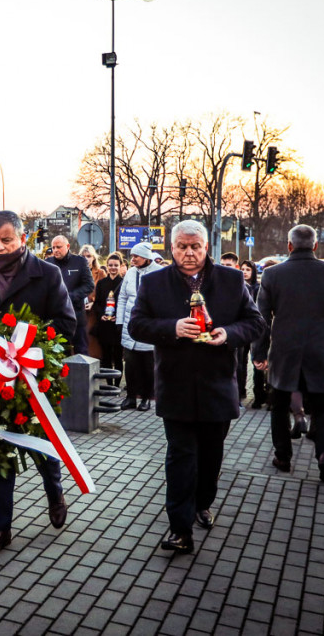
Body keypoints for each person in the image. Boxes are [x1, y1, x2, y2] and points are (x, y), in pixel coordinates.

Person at [129, 220, 265, 554]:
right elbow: (136, 325)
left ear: (207, 248)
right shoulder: (154, 281)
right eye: (182, 247)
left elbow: (255, 323)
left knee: (210, 454)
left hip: (217, 383)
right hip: (174, 385)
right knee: (180, 455)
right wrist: (172, 327)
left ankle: (203, 501)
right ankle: (180, 528)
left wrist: (228, 334)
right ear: (171, 248)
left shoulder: (232, 280)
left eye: (196, 247)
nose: (189, 253)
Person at [0, 211, 77, 558]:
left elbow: (67, 325)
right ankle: (0, 528)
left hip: (33, 380)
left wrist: (30, 349)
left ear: (22, 238)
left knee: (40, 445)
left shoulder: (47, 274)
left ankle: (54, 493)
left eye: (7, 240)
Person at [252, 225, 324, 483]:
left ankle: (283, 457)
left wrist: (259, 353)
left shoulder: (273, 274)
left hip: (284, 353)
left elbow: (261, 318)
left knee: (279, 406)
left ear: (289, 246)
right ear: (315, 246)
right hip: (321, 352)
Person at [116, 242, 163, 410]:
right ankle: (130, 397)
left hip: (148, 324)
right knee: (130, 364)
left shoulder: (159, 272)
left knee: (147, 366)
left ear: (146, 257)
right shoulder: (130, 272)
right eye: (132, 256)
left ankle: (146, 398)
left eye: (136, 256)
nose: (132, 259)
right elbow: (122, 297)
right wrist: (119, 321)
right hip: (130, 325)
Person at [47, 235, 94, 355]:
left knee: (81, 352)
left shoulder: (80, 262)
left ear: (67, 246)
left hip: (77, 315)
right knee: (60, 354)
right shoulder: (48, 263)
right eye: (53, 247)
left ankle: (83, 374)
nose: (55, 250)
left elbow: (89, 285)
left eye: (59, 247)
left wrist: (70, 297)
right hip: (56, 318)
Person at [238, 260, 268, 408]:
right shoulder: (238, 287)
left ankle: (259, 395)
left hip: (256, 331)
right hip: (243, 331)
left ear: (253, 272)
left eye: (248, 270)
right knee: (241, 363)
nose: (244, 272)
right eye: (242, 269)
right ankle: (241, 391)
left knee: (257, 363)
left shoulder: (258, 288)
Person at [92, 252, 125, 386]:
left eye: (116, 265)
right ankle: (109, 383)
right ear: (107, 266)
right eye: (110, 265)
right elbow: (98, 303)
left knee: (117, 357)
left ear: (120, 266)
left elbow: (125, 302)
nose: (113, 268)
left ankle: (116, 385)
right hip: (104, 324)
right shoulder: (101, 283)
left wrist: (118, 315)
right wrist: (101, 315)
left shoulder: (123, 283)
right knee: (105, 356)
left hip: (117, 325)